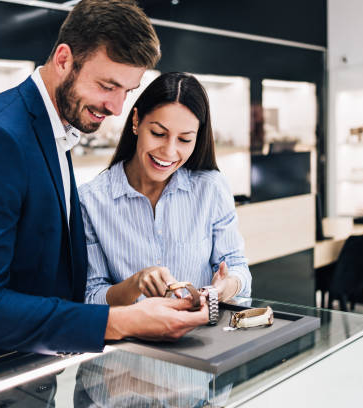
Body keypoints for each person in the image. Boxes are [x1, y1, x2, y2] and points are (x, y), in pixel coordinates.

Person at [0, 0, 207, 375]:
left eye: (128, 91)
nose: (117, 108)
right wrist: (122, 321)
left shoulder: (53, 130)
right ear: (63, 59)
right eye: (107, 86)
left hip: (27, 376)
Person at [79, 72, 251, 306]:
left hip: (202, 338)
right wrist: (135, 283)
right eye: (158, 134)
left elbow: (237, 268)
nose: (169, 152)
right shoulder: (90, 201)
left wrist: (226, 286)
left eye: (185, 140)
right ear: (136, 121)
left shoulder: (211, 188)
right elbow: (91, 296)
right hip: (132, 341)